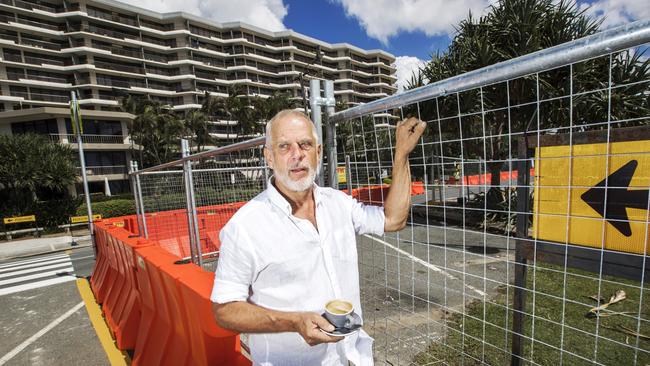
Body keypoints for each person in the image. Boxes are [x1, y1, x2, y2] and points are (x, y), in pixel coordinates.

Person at [211, 110, 426, 365]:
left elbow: (393, 219)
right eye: (284, 146)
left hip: (350, 357)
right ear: (269, 157)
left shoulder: (338, 203)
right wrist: (294, 322)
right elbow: (224, 310)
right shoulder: (245, 227)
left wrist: (401, 154)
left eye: (305, 144)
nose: (297, 154)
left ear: (318, 152)